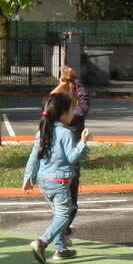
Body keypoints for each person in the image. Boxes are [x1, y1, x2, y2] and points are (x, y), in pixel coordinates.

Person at [22, 93, 91, 263]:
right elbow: (72, 158)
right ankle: (42, 242)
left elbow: (34, 157)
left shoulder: (43, 132)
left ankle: (60, 250)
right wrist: (83, 142)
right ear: (63, 113)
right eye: (71, 110)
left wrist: (28, 179)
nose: (74, 113)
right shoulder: (65, 133)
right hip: (59, 183)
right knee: (64, 215)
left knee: (58, 215)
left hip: (45, 182)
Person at [52, 67, 89, 223]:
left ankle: (60, 228)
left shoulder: (54, 112)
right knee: (70, 201)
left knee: (59, 201)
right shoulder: (77, 112)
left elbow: (49, 99)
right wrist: (74, 81)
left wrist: (63, 83)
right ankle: (61, 230)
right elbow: (84, 99)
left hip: (53, 162)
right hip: (70, 161)